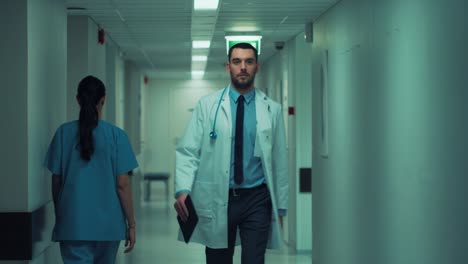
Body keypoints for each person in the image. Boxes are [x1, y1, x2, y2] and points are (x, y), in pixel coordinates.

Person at [174, 42, 288, 264]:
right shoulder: (207, 106)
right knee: (218, 258)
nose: (243, 67)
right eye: (237, 62)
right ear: (228, 67)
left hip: (257, 198)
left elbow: (279, 159)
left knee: (254, 259)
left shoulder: (271, 109)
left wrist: (281, 207)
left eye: (249, 61)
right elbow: (188, 150)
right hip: (220, 196)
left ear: (257, 67)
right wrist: (183, 189)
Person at [44, 75, 138, 264]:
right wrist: (132, 224)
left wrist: (61, 211)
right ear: (103, 100)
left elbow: (56, 181)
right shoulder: (117, 136)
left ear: (78, 99)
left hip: (73, 223)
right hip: (109, 227)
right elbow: (122, 184)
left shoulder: (63, 133)